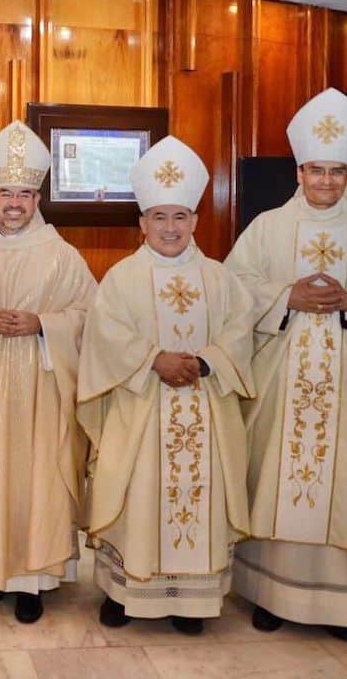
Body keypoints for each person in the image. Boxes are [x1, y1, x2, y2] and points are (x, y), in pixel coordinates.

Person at [226, 88, 347, 641]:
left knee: (343, 485)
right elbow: (232, 290)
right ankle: (269, 594)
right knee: (274, 475)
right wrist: (284, 298)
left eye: (338, 172)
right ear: (299, 169)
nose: (326, 182)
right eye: (317, 170)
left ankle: (343, 604)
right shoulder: (267, 227)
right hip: (281, 377)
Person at [77, 136, 255, 635]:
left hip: (204, 410)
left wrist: (204, 360)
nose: (170, 228)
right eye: (159, 217)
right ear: (142, 223)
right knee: (135, 493)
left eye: (179, 217)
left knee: (194, 494)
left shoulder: (221, 279)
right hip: (140, 411)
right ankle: (122, 591)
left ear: (196, 221)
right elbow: (104, 334)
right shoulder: (121, 277)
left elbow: (240, 332)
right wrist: (152, 359)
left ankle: (191, 598)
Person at [0, 120, 94, 623]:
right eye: (5, 192)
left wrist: (44, 324)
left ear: (36, 197)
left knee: (38, 479)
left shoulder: (64, 257)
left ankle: (34, 579)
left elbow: (89, 318)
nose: (14, 202)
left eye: (24, 193)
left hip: (42, 390)